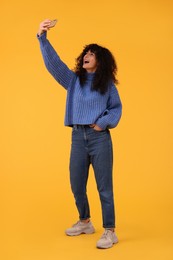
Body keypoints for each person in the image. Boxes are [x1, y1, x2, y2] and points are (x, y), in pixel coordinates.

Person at [37, 19, 122, 249]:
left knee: (104, 186)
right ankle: (85, 221)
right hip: (77, 136)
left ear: (100, 60)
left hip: (99, 138)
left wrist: (102, 124)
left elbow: (116, 108)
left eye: (92, 53)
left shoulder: (107, 85)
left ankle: (109, 230)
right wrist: (42, 38)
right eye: (86, 52)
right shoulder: (74, 81)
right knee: (76, 183)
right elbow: (54, 65)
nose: (87, 55)